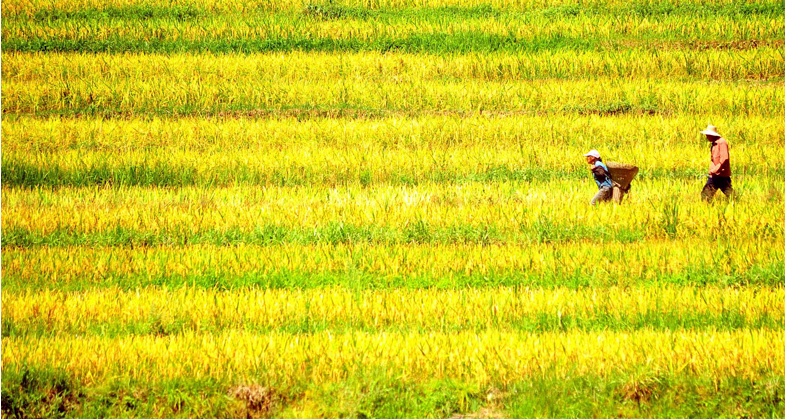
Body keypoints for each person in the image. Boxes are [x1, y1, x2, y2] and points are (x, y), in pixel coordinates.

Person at [700, 125, 734, 202]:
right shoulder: (714, 143)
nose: (706, 136)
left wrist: (715, 169)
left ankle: (736, 205)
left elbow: (724, 158)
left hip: (721, 175)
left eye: (708, 135)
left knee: (730, 194)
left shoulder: (721, 142)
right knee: (706, 195)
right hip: (715, 175)